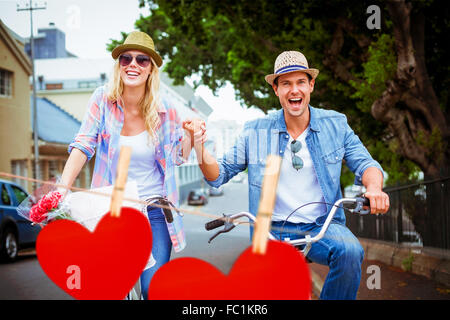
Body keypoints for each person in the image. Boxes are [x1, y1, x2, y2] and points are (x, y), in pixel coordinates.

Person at [185, 51, 389, 300]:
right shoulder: (255, 131)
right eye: (286, 83)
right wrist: (198, 145)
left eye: (300, 82)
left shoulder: (335, 124)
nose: (294, 90)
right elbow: (218, 175)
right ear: (276, 89)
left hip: (322, 226)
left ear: (311, 85)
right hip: (273, 230)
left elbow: (366, 164)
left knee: (349, 251)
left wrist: (374, 189)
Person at [59, 31, 196, 299]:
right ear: (119, 65)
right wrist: (61, 189)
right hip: (112, 212)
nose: (133, 64)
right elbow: (83, 144)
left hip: (154, 211)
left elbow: (179, 157)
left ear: (151, 70)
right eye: (126, 58)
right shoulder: (102, 99)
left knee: (151, 289)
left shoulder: (166, 110)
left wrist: (191, 136)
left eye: (142, 59)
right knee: (111, 289)